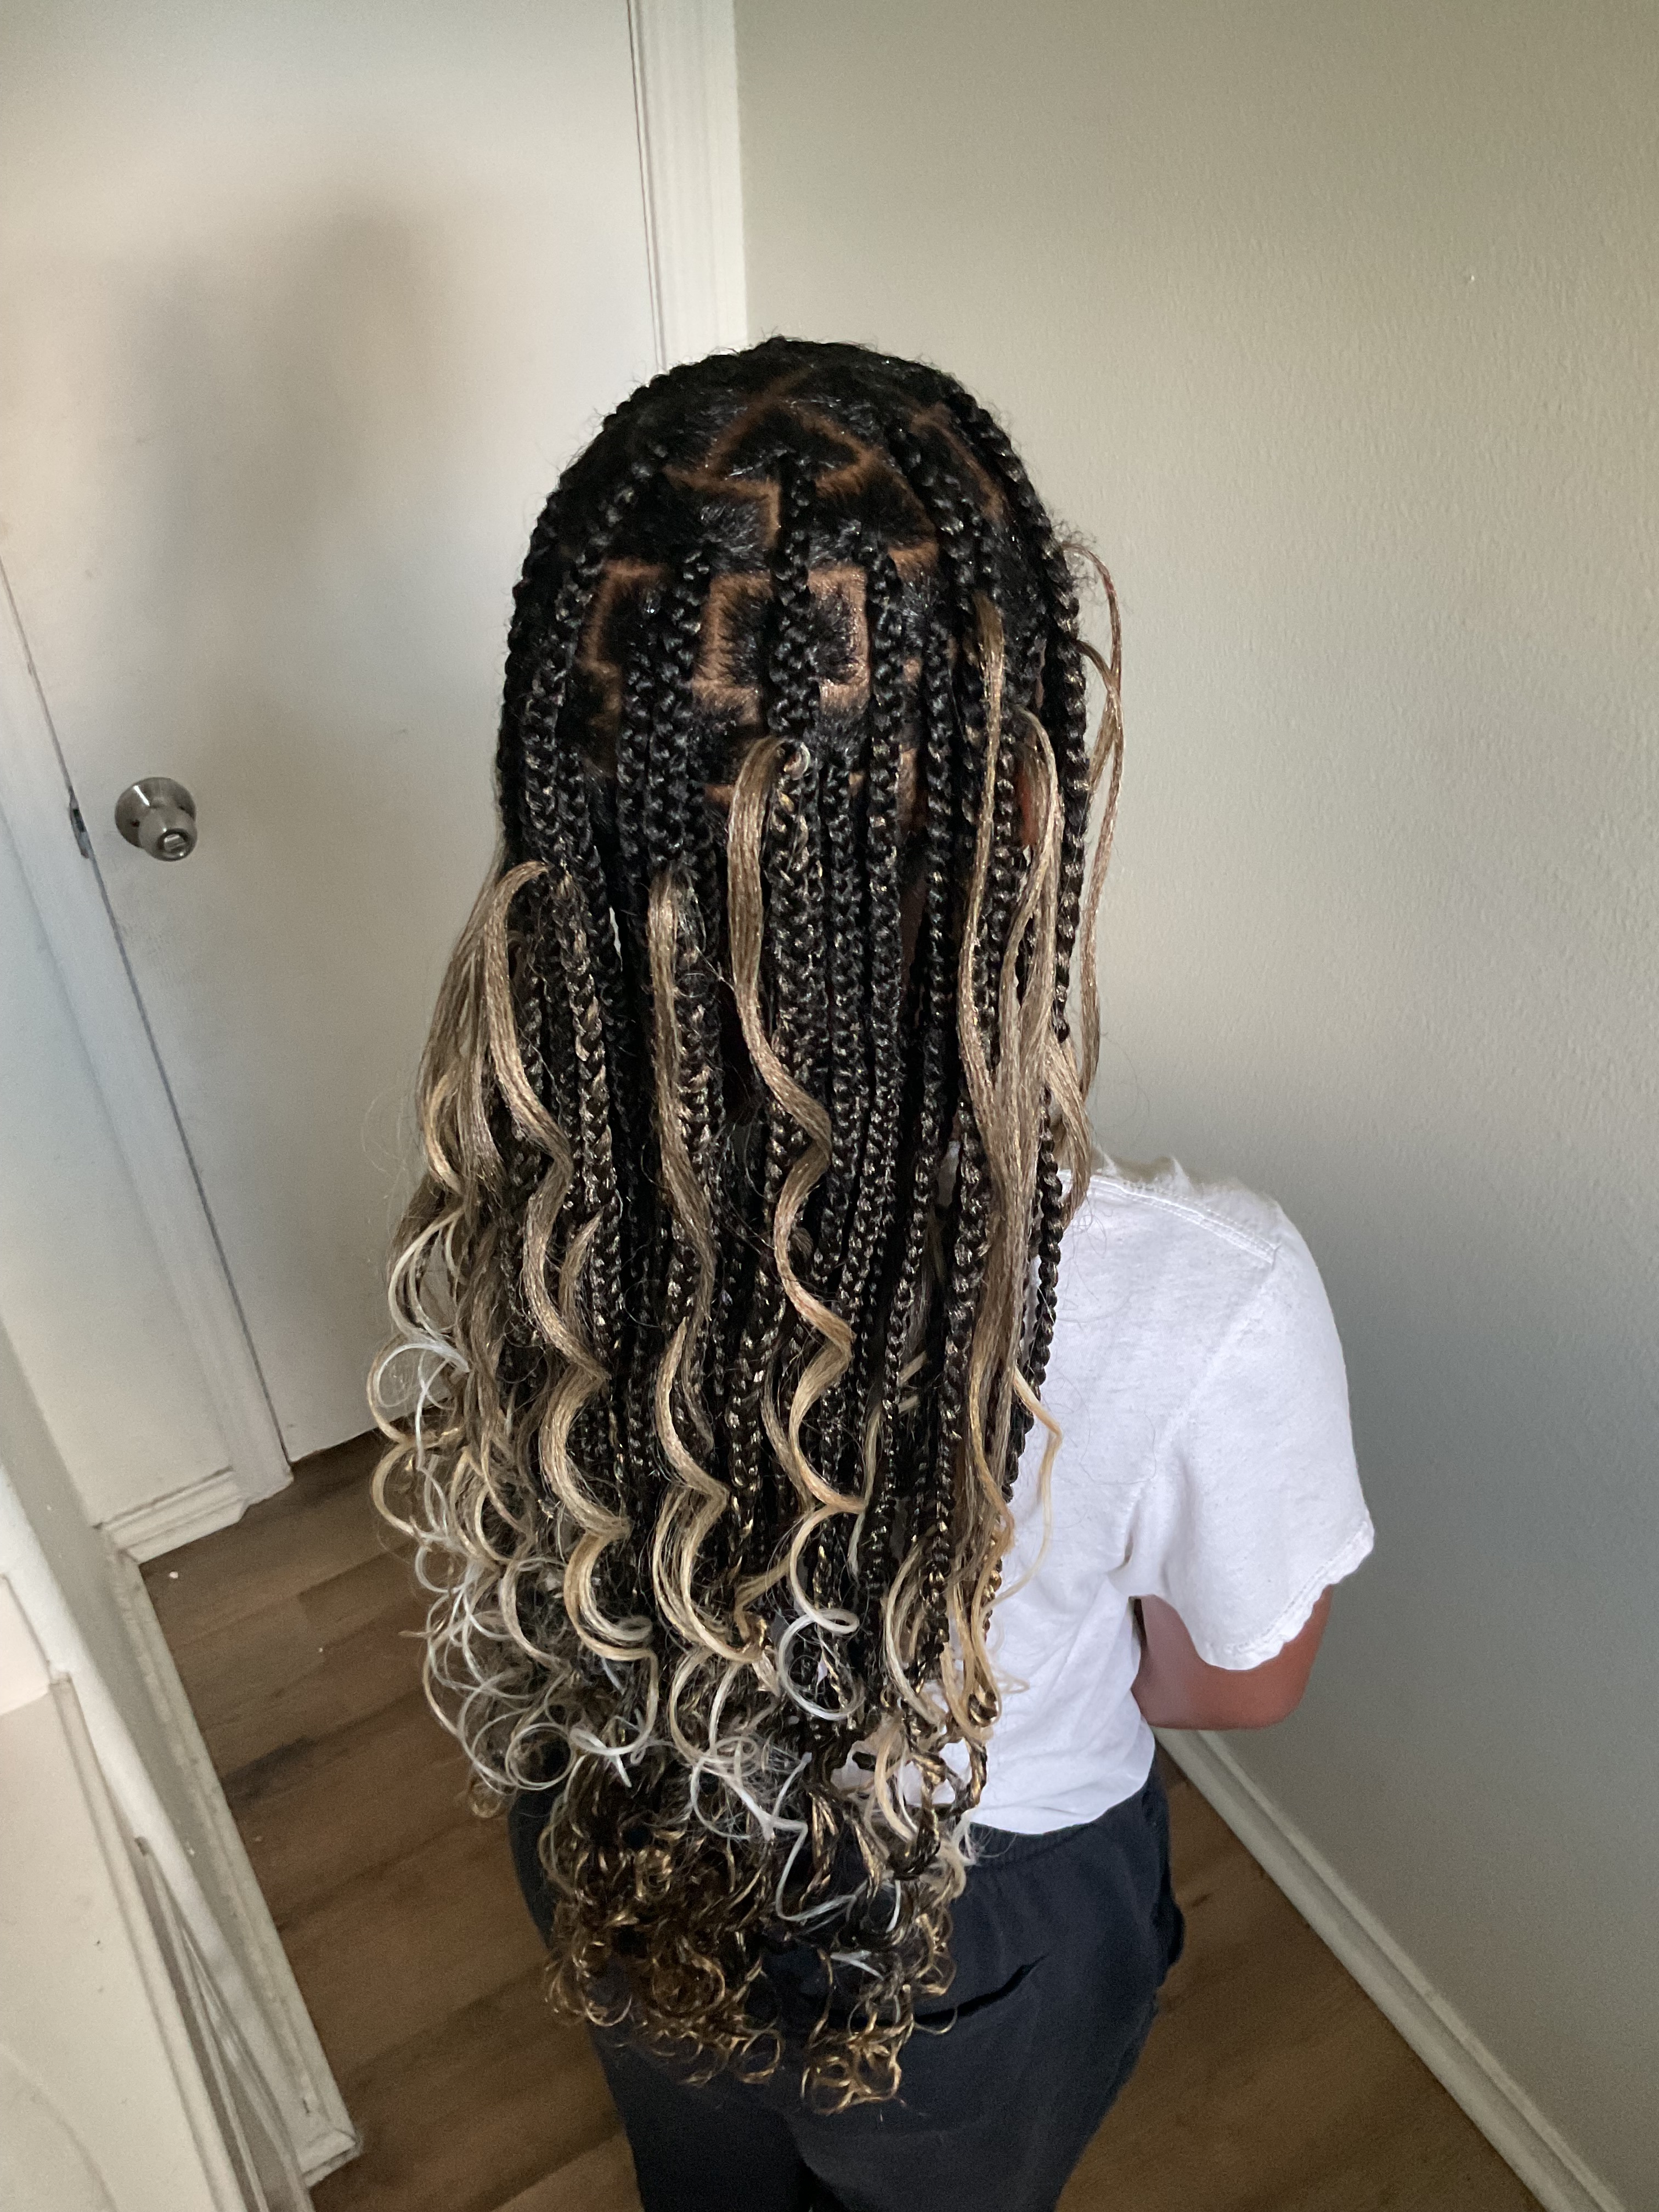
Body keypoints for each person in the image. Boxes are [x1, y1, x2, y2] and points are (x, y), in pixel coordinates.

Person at [371, 337, 1374, 2212]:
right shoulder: (1202, 1294)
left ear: (579, 800)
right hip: (968, 1922)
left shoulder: (512, 1155)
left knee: (700, 2167)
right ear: (1026, 808)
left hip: (612, 1805)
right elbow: (1234, 1687)